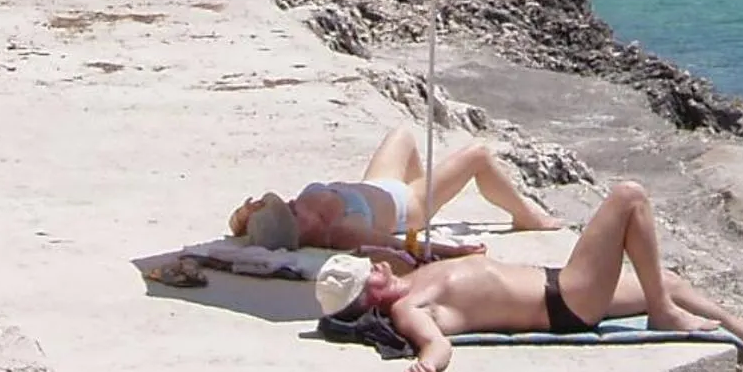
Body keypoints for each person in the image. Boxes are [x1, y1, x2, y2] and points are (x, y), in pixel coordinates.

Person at [315, 180, 743, 372]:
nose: (378, 266)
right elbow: (437, 345)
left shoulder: (407, 278)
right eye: (370, 272)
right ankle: (662, 313)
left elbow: (393, 255)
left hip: (562, 286)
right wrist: (426, 368)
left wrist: (404, 253)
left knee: (666, 279)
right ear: (369, 295)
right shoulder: (408, 310)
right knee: (629, 197)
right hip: (565, 301)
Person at [231, 127, 561, 254]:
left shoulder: (304, 210)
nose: (290, 201)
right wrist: (453, 252)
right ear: (302, 230)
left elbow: (236, 227)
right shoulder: (342, 231)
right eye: (290, 210)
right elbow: (399, 246)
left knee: (402, 134)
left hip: (377, 185)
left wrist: (246, 214)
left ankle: (431, 185)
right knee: (478, 156)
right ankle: (526, 216)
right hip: (410, 205)